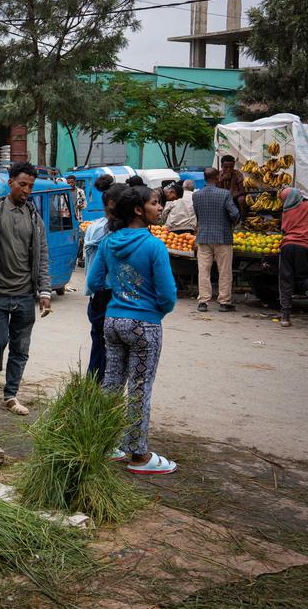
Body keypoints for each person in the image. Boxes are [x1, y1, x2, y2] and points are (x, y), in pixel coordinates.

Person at [87, 185, 178, 475]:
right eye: (155, 203)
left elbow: (92, 281)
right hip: (144, 324)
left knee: (111, 384)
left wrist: (120, 295)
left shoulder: (109, 241)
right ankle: (138, 455)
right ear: (139, 210)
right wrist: (153, 310)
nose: (160, 208)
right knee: (140, 388)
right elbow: (168, 295)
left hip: (112, 321)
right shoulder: (153, 246)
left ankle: (105, 444)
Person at [0, 161, 52, 415]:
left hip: (25, 295)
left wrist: (45, 291)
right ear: (10, 183)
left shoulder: (35, 218)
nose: (27, 190)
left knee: (21, 347)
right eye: (22, 184)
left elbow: (42, 256)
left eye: (30, 186)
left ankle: (11, 395)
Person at [82, 176, 126, 383]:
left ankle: (96, 390)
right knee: (104, 349)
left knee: (102, 346)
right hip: (105, 295)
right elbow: (94, 279)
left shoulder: (97, 226)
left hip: (99, 296)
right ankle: (96, 392)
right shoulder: (106, 231)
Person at [192, 167, 240, 312]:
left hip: (204, 236)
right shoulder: (225, 194)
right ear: (218, 177)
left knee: (203, 270)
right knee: (224, 270)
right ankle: (224, 301)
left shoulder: (197, 195)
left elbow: (198, 215)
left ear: (205, 178)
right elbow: (234, 213)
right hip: (222, 236)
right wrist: (233, 222)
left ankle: (203, 301)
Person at [279, 187, 308, 327]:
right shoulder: (306, 206)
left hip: (286, 246)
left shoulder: (286, 212)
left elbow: (284, 230)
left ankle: (285, 316)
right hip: (304, 246)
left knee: (286, 280)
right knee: (302, 278)